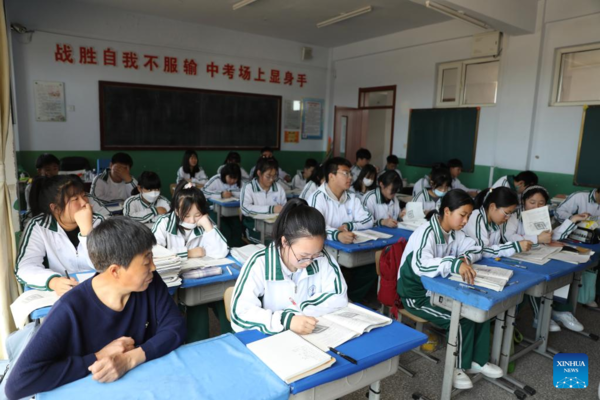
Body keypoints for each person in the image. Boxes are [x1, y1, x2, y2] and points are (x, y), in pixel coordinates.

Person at [5, 217, 186, 399]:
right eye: (146, 262)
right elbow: (17, 384)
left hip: (145, 386)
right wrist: (97, 357)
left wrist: (130, 359)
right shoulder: (70, 309)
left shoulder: (150, 284)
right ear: (115, 271)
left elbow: (175, 327)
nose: (153, 267)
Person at [398, 189, 502, 390]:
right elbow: (421, 265)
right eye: (462, 215)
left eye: (469, 216)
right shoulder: (426, 233)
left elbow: (475, 248)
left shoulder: (455, 233)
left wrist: (465, 258)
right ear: (447, 211)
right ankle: (457, 367)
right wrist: (454, 264)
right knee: (460, 319)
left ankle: (477, 362)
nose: (465, 220)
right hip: (416, 296)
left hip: (439, 291)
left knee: (477, 311)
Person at [231, 198, 348, 334]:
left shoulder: (323, 259)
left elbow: (339, 296)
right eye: (303, 255)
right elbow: (240, 314)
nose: (310, 261)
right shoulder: (260, 264)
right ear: (285, 242)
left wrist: (299, 312)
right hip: (270, 339)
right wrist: (286, 320)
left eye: (315, 254)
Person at [152, 181, 229, 342]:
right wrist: (188, 253)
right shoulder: (164, 223)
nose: (192, 220)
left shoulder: (204, 224)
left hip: (197, 280)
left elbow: (221, 252)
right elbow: (152, 252)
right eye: (186, 215)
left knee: (216, 296)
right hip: (170, 280)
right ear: (175, 210)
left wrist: (207, 225)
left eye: (197, 215)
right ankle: (194, 339)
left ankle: (227, 338)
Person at [505, 185, 589, 332]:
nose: (536, 206)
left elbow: (552, 236)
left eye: (541, 203)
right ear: (523, 201)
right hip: (518, 256)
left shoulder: (543, 216)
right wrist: (537, 238)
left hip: (539, 254)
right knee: (537, 277)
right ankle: (541, 316)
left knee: (562, 270)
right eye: (532, 202)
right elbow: (509, 238)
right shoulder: (513, 216)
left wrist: (573, 220)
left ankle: (561, 311)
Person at [15, 175, 104, 296]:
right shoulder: (39, 226)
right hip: (61, 294)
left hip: (98, 289)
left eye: (84, 196)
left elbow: (106, 263)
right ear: (55, 208)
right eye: (75, 199)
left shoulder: (98, 221)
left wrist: (87, 231)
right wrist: (53, 281)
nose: (84, 203)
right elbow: (25, 268)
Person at [308, 157, 374, 302]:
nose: (350, 177)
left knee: (370, 266)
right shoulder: (317, 198)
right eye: (345, 173)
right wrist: (336, 234)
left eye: (350, 173)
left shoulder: (352, 197)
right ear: (331, 176)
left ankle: (352, 298)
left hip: (350, 247)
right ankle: (341, 298)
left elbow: (368, 220)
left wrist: (349, 226)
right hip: (323, 248)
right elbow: (315, 227)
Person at [463, 187, 533, 258]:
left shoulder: (495, 223)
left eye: (510, 214)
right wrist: (514, 247)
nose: (508, 217)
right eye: (506, 213)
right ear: (492, 207)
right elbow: (481, 251)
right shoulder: (476, 218)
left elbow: (495, 247)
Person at [241, 157, 287, 244]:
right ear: (259, 173)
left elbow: (284, 208)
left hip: (274, 228)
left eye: (274, 176)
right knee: (271, 244)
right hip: (253, 227)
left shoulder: (279, 188)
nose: (271, 179)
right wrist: (271, 209)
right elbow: (245, 209)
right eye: (268, 176)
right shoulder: (248, 187)